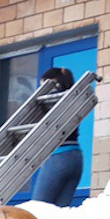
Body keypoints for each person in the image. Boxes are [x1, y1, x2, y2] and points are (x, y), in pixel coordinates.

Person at [32, 67, 83, 206]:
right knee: (59, 213)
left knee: (39, 209)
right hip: (76, 157)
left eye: (44, 86)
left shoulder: (54, 100)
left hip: (58, 156)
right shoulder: (73, 100)